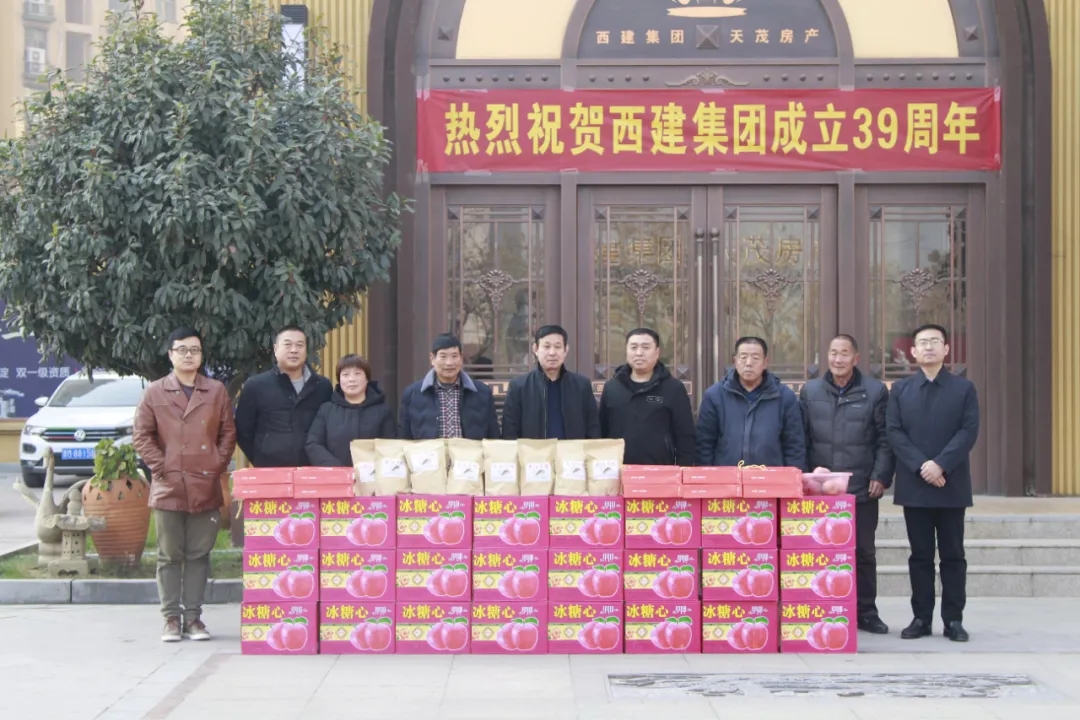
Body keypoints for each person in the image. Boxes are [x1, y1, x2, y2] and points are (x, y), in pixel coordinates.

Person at [133, 328, 236, 643]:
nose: (188, 355)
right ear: (170, 354)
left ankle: (193, 617)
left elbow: (228, 433)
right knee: (169, 554)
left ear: (201, 355)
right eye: (182, 350)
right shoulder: (155, 392)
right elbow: (142, 435)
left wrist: (216, 464)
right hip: (169, 485)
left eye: (194, 350)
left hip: (205, 482)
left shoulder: (216, 391)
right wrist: (162, 466)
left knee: (199, 554)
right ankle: (170, 618)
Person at [887, 324, 979, 642]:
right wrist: (921, 466)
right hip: (916, 486)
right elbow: (894, 432)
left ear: (946, 349)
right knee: (920, 556)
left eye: (934, 342)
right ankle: (921, 618)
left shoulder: (963, 389)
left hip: (951, 484)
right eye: (922, 342)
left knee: (953, 555)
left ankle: (953, 620)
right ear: (912, 351)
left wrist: (940, 464)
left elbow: (968, 431)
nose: (928, 347)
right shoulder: (901, 390)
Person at [800, 334, 895, 634]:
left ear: (856, 358)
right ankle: (821, 607)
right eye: (833, 353)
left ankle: (866, 611)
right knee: (819, 550)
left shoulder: (875, 391)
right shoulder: (811, 391)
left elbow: (885, 438)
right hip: (820, 486)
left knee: (863, 552)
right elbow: (800, 439)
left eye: (844, 353)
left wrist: (880, 475)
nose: (837, 359)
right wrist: (804, 476)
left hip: (861, 487)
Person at [695, 336, 806, 470]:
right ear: (735, 361)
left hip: (771, 478)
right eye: (743, 357)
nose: (748, 363)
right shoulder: (714, 396)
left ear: (765, 363)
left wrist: (791, 478)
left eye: (755, 358)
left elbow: (794, 446)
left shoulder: (784, 397)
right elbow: (704, 446)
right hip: (727, 478)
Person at [235, 325, 333, 467]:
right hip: (270, 469)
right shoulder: (256, 385)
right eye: (287, 345)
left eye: (300, 345)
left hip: (312, 469)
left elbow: (329, 428)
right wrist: (260, 457)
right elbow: (243, 431)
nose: (294, 350)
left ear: (306, 350)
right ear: (275, 349)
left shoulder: (322, 386)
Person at [598, 328, 695, 465]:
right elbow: (601, 432)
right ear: (627, 351)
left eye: (645, 347)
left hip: (660, 470)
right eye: (633, 347)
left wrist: (684, 468)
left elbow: (685, 436)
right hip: (618, 469)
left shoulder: (673, 388)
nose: (639, 353)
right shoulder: (612, 388)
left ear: (657, 352)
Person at [501, 325, 600, 440]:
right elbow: (510, 432)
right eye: (546, 346)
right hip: (533, 451)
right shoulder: (519, 387)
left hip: (572, 451)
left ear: (566, 350)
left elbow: (593, 429)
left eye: (557, 347)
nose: (552, 353)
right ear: (536, 349)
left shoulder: (581, 386)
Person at [399, 333, 500, 440]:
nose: (449, 363)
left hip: (469, 451)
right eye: (443, 356)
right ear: (432, 358)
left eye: (454, 356)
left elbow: (493, 437)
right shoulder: (413, 394)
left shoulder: (482, 393)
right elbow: (404, 438)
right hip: (429, 451)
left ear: (461, 358)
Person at [305, 354, 396, 466]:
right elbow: (313, 444)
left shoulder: (382, 411)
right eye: (345, 374)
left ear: (367, 378)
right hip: (335, 474)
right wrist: (336, 467)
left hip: (371, 474)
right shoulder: (327, 410)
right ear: (339, 380)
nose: (351, 379)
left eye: (357, 374)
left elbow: (390, 447)